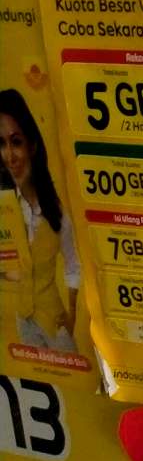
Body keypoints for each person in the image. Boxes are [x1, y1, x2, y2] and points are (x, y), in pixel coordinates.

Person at [0, 90, 77, 352]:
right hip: (23, 323)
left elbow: (73, 267)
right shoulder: (5, 210)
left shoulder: (57, 212)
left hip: (54, 325)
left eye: (16, 142)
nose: (9, 156)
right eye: (1, 144)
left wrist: (72, 316)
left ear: (32, 146)